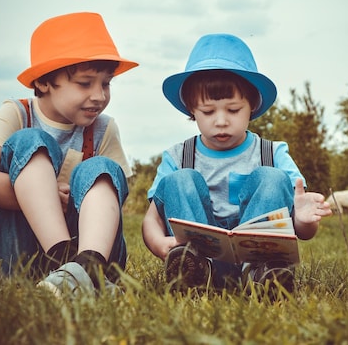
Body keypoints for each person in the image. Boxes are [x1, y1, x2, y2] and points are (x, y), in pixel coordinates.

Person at [142, 33, 332, 297]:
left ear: (252, 105)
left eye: (233, 110)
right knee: (179, 180)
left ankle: (263, 276)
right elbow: (151, 219)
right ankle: (193, 273)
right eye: (208, 112)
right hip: (199, 258)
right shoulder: (177, 156)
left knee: (272, 178)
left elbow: (304, 231)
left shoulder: (272, 153)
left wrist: (302, 220)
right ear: (191, 109)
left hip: (259, 261)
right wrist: (159, 243)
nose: (221, 121)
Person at [0, 12, 138, 296]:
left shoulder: (104, 128)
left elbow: (116, 192)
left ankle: (89, 265)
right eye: (85, 83)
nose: (99, 95)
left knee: (101, 168)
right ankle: (66, 262)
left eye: (106, 83)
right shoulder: (17, 113)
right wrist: (45, 196)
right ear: (44, 82)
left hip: (90, 246)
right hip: (14, 258)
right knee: (30, 141)